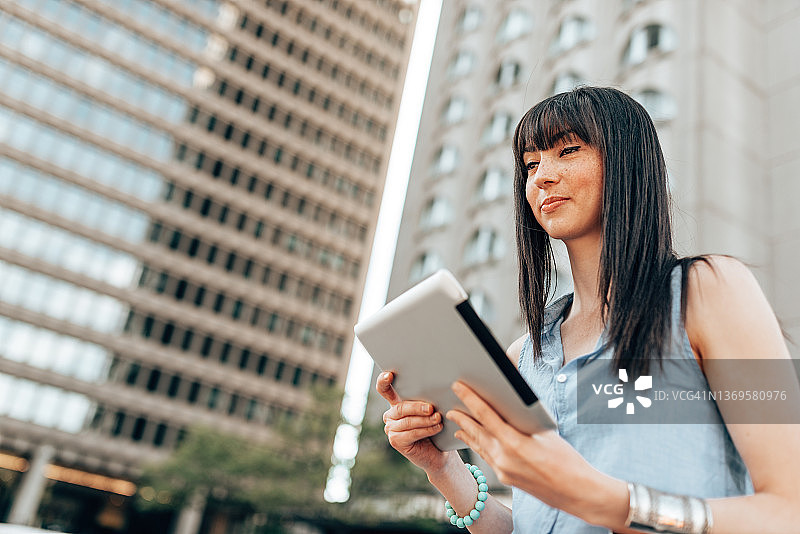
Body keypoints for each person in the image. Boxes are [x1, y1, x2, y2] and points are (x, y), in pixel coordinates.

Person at [376, 86, 800, 533]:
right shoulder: (525, 354)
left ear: (627, 161)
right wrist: (444, 469)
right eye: (531, 163)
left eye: (569, 149)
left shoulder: (706, 291)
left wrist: (601, 499)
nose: (542, 176)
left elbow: (788, 512)